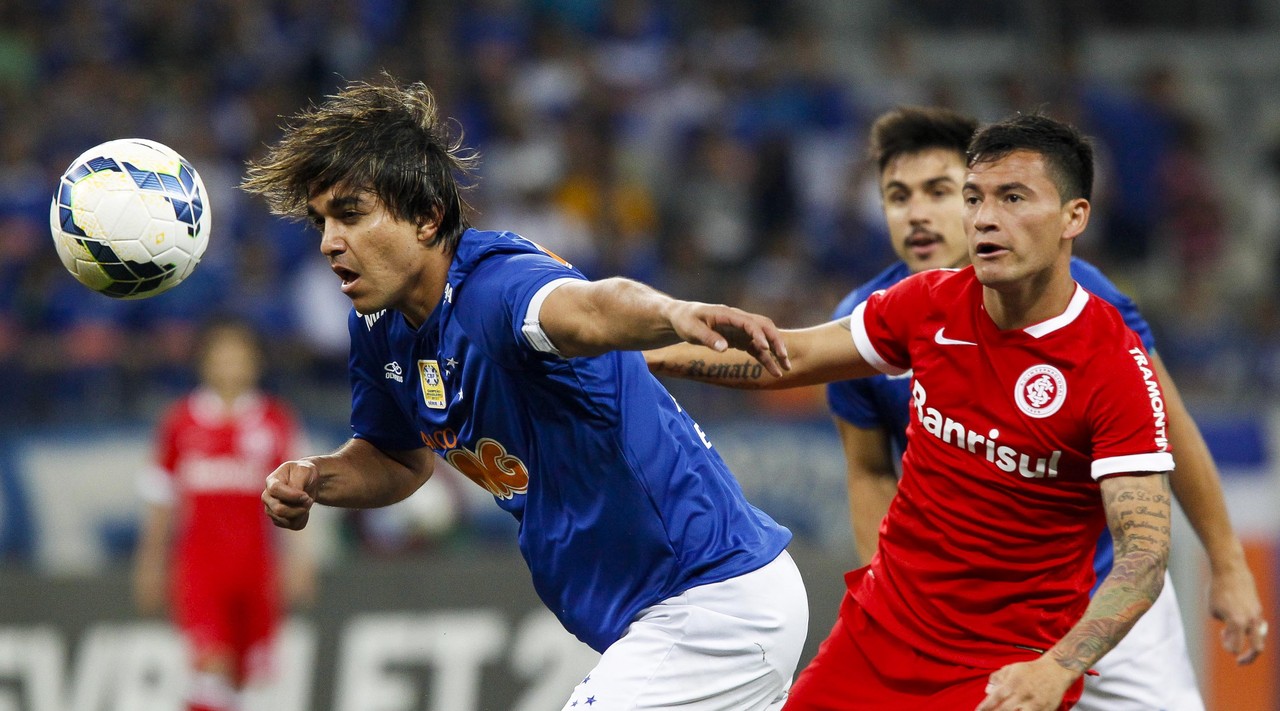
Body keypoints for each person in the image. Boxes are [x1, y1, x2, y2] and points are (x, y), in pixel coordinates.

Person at [240, 75, 805, 711]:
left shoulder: (495, 288)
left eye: (350, 214)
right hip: (658, 618)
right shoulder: (378, 329)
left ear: (427, 217)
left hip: (709, 601)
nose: (329, 242)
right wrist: (317, 477)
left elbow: (590, 307)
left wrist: (673, 313)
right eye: (320, 222)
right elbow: (397, 459)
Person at [649, 112, 1185, 710]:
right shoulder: (927, 304)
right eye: (975, 198)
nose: (985, 218)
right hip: (878, 635)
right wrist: (640, 358)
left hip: (1004, 664)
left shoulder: (1114, 365)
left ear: (1073, 217)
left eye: (1013, 198)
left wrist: (1057, 667)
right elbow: (791, 357)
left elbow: (1144, 557)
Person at [821, 106, 1264, 710]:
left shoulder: (1079, 296)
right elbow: (870, 470)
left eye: (940, 191)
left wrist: (1228, 562)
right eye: (898, 197)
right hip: (968, 622)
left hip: (1105, 598)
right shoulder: (867, 318)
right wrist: (894, 607)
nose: (917, 213)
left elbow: (1169, 427)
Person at [132, 318, 315, 711]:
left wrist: (300, 559)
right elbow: (161, 501)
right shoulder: (180, 422)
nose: (231, 365)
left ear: (256, 363)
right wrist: (150, 564)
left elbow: (296, 500)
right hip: (200, 569)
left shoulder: (276, 421)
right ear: (204, 363)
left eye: (239, 356)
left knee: (248, 681)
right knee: (211, 667)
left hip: (257, 568)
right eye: (222, 356)